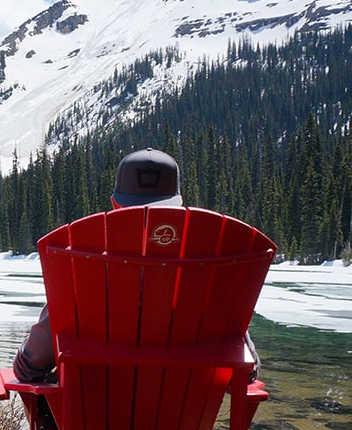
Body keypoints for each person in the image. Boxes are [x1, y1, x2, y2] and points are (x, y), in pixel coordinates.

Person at [13, 147, 259, 384]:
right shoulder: (211, 275)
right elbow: (247, 371)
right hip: (182, 421)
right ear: (179, 204)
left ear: (115, 204)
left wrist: (24, 366)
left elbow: (31, 365)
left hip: (92, 421)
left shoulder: (83, 269)